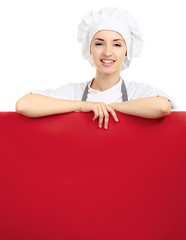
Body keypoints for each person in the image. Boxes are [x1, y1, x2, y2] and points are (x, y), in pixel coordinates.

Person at [16, 7, 176, 130]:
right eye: (99, 43)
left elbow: (162, 107)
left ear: (127, 52)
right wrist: (85, 106)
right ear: (90, 49)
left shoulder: (136, 92)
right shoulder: (74, 93)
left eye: (117, 44)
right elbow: (24, 105)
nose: (107, 52)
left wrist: (108, 107)